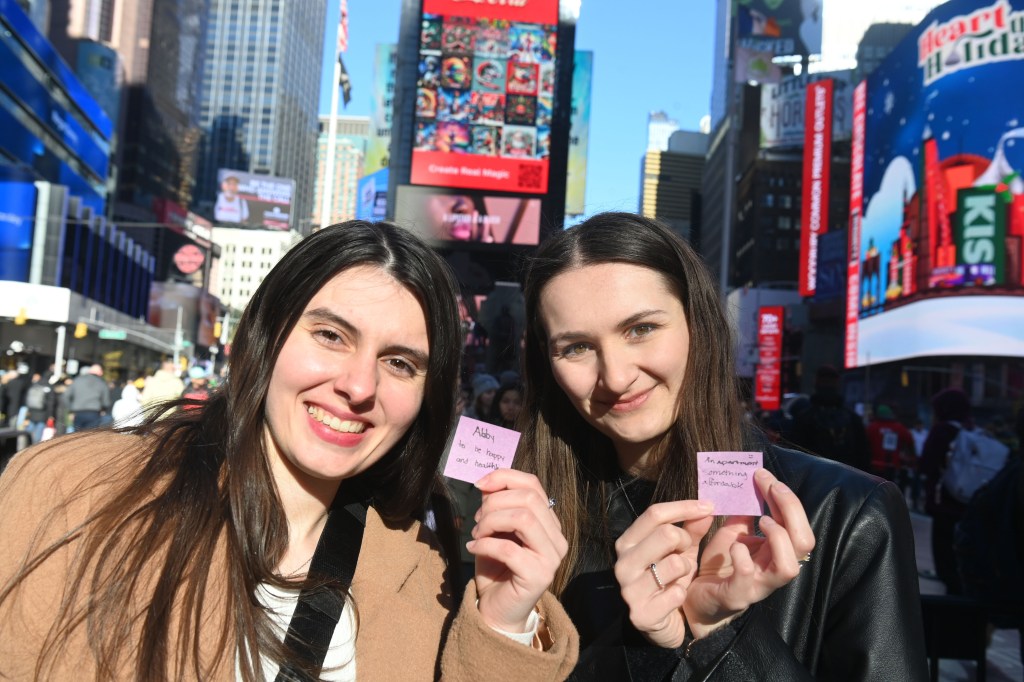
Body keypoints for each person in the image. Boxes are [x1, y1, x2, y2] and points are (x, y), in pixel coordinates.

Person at [0, 221, 577, 680]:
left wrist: (504, 624)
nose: (358, 387)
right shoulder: (69, 493)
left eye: (400, 363)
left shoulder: (432, 579)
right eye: (331, 336)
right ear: (265, 335)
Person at [516, 213, 926, 679]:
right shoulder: (533, 517)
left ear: (700, 325)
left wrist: (718, 634)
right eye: (576, 347)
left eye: (641, 329)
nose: (616, 376)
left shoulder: (849, 514)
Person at [920, 387, 973, 595]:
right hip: (968, 504)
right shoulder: (972, 431)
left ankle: (953, 596)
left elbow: (926, 464)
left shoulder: (942, 431)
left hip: (944, 503)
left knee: (944, 556)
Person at [787, 365, 871, 472]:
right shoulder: (853, 418)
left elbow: (794, 457)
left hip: (814, 480)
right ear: (837, 384)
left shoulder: (804, 418)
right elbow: (864, 457)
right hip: (847, 480)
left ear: (816, 383)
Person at [865, 404, 914, 484]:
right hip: (892, 466)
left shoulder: (871, 427)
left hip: (874, 466)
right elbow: (910, 442)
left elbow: (864, 445)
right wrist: (911, 458)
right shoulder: (899, 427)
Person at [64, 363, 111, 431]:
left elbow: (65, 396)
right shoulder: (101, 383)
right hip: (94, 413)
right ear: (100, 372)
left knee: (77, 436)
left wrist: (70, 411)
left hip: (78, 413)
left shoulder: (77, 380)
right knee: (89, 437)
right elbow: (106, 402)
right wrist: (103, 409)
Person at [22, 373, 56, 444]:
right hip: (42, 414)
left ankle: (26, 446)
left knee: (29, 432)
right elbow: (51, 403)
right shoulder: (49, 387)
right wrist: (50, 415)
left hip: (32, 412)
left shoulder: (35, 385)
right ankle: (34, 448)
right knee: (38, 435)